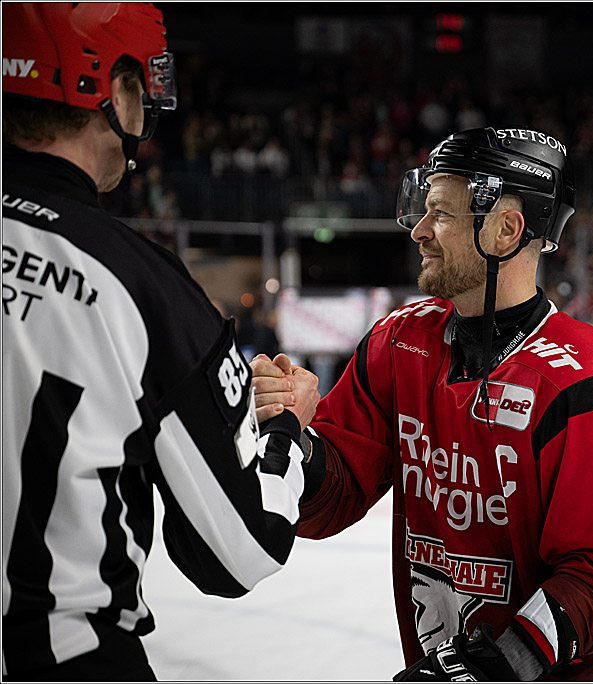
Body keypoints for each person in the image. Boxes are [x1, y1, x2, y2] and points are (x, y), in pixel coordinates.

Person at [252, 127, 593, 680]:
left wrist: (493, 665)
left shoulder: (584, 383)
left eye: (442, 213)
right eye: (424, 210)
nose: (419, 230)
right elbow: (334, 496)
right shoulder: (398, 344)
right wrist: (294, 436)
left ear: (506, 230)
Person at [2, 4, 320, 680]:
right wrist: (287, 427)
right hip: (64, 656)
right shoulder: (137, 283)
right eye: (141, 85)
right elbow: (237, 552)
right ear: (112, 90)